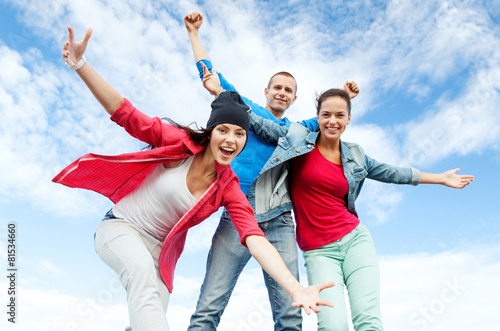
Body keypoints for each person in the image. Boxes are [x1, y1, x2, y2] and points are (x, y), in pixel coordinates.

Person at [53, 26, 335, 331]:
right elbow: (126, 114)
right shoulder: (178, 143)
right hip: (120, 228)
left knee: (147, 316)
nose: (231, 139)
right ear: (211, 131)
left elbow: (254, 238)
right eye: (223, 130)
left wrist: (295, 289)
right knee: (142, 281)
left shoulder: (227, 187)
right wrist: (81, 64)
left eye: (240, 134)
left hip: (161, 253)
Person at [203, 73, 474, 330]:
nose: (332, 121)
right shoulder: (297, 140)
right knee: (333, 325)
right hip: (318, 249)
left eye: (340, 115)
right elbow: (260, 123)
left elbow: (392, 172)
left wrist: (439, 178)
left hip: (355, 239)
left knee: (368, 321)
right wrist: (222, 95)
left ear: (349, 119)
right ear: (317, 118)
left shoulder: (356, 155)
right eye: (326, 115)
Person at [184, 12, 359, 330]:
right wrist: (194, 33)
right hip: (238, 214)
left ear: (294, 99)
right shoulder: (243, 110)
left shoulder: (299, 129)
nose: (281, 92)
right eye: (276, 87)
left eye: (288, 90)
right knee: (209, 306)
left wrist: (346, 95)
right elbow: (209, 74)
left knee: (292, 311)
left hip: (279, 221)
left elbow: (330, 119)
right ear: (266, 90)